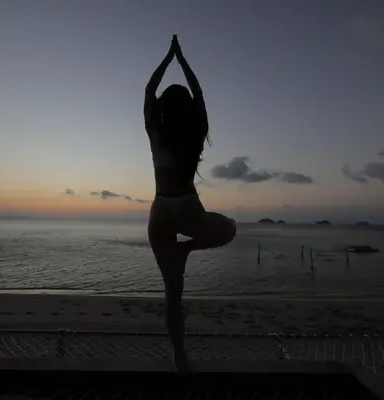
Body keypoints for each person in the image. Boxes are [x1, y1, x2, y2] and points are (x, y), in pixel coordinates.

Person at [144, 35, 237, 372]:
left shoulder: (155, 132)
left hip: (159, 211)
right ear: (188, 110)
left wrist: (168, 58)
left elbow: (149, 91)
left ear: (163, 109)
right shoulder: (196, 132)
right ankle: (186, 249)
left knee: (173, 291)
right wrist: (182, 60)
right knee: (230, 228)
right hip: (187, 208)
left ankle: (179, 356)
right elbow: (198, 95)